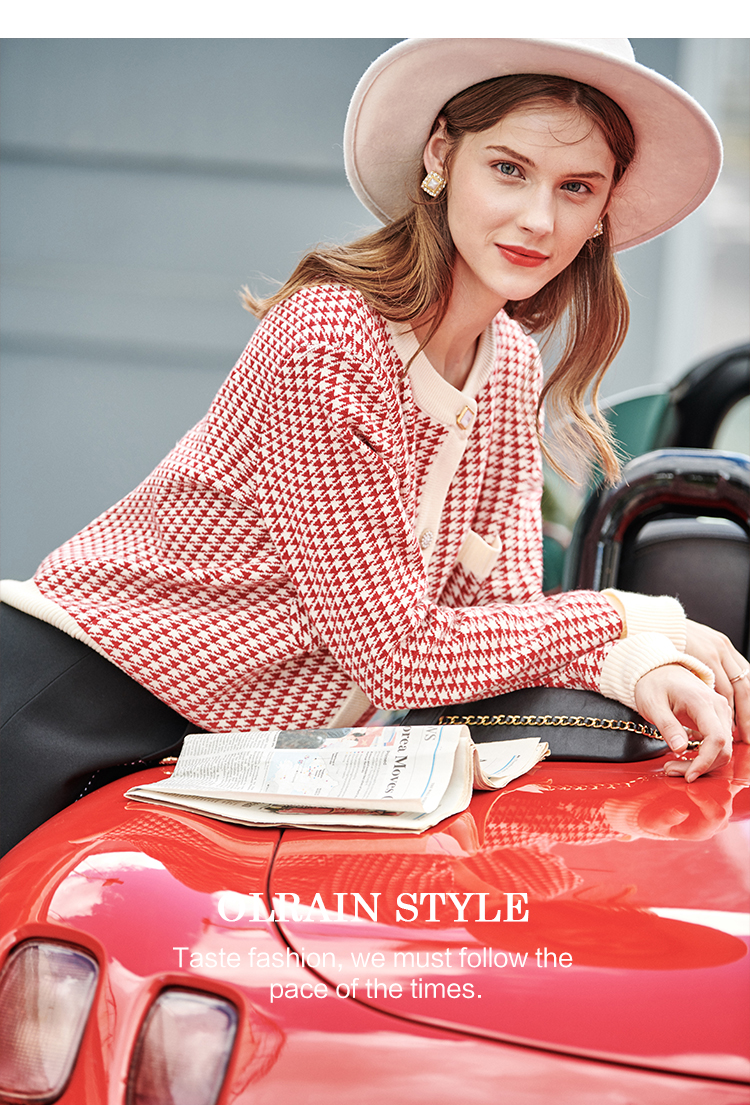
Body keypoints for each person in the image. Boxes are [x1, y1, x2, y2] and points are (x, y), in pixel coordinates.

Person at [2, 37, 748, 858]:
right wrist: (632, 616)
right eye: (509, 169)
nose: (540, 219)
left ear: (603, 210)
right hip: (65, 703)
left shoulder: (507, 365)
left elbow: (498, 630)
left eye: (577, 187)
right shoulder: (332, 339)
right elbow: (397, 655)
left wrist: (635, 664)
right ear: (441, 157)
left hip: (219, 760)